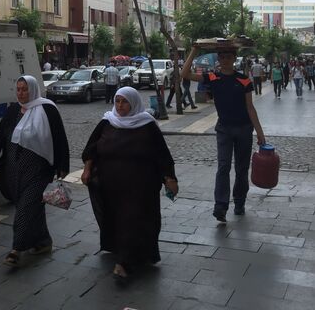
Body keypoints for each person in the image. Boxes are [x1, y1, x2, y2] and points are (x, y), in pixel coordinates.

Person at [81, 87, 177, 282]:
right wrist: (87, 169)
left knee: (132, 219)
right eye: (117, 101)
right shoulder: (108, 121)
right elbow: (91, 148)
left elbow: (162, 154)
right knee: (118, 220)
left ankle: (124, 263)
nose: (120, 106)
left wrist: (169, 178)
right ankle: (127, 252)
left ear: (133, 102)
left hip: (140, 185)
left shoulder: (147, 125)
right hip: (111, 184)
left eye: (124, 102)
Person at [0, 75, 69, 267]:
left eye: (25, 89)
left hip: (39, 170)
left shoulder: (47, 109)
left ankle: (17, 250)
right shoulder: (13, 109)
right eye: (18, 89)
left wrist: (63, 166)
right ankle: (43, 241)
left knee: (25, 208)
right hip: (14, 170)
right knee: (33, 206)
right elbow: (2, 132)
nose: (21, 93)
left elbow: (59, 137)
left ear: (32, 89)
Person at [182, 46, 265, 222]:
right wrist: (194, 50)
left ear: (234, 58)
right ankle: (220, 207)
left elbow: (250, 108)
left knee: (242, 169)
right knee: (223, 167)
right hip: (224, 130)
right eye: (221, 56)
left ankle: (240, 202)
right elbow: (185, 74)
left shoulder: (244, 80)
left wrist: (260, 133)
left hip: (244, 129)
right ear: (218, 59)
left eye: (228, 56)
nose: (224, 59)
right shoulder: (214, 77)